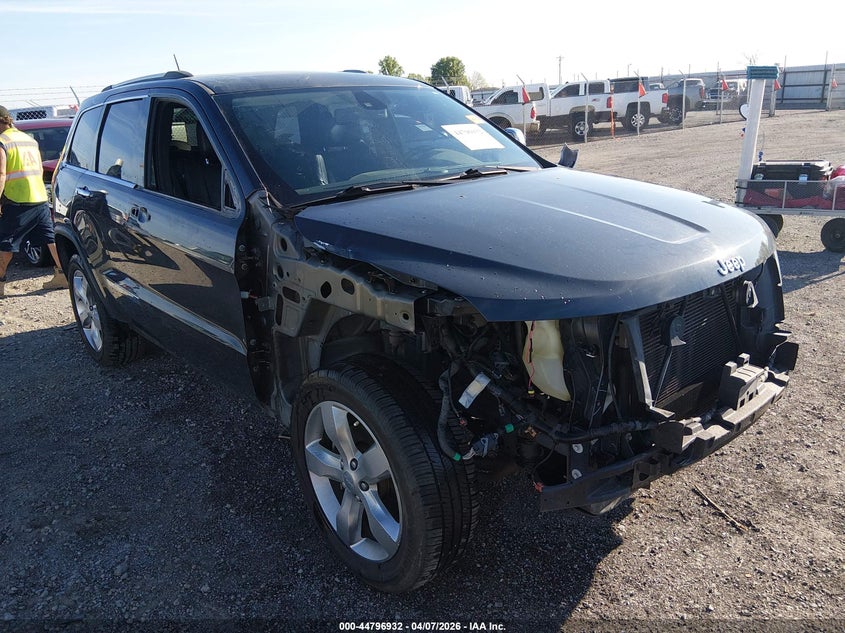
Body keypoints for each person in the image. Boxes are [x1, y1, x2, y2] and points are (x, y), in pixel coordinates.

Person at [0, 105, 67, 297]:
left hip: (17, 199)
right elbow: (38, 168)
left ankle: (0, 284)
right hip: (39, 196)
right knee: (50, 238)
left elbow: (1, 173)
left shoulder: (2, 142)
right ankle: (62, 276)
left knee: (6, 243)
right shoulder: (29, 140)